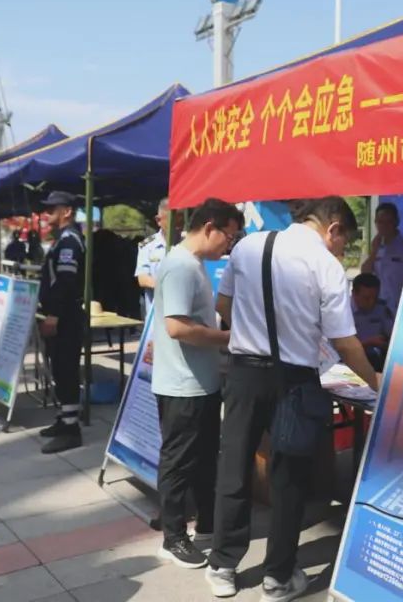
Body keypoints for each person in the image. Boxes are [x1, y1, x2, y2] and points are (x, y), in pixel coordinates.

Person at [208, 196, 379, 602]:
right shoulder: (325, 265)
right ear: (333, 228)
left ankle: (222, 566)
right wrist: (376, 382)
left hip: (244, 373)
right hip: (296, 382)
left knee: (234, 466)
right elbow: (344, 341)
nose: (341, 250)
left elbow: (223, 304)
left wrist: (254, 333)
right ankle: (277, 578)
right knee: (289, 478)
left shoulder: (247, 246)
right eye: (344, 241)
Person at [152, 199, 243, 568]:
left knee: (205, 459)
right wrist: (227, 339)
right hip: (182, 387)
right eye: (229, 237)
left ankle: (206, 522)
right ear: (209, 228)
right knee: (178, 462)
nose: (229, 245)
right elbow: (177, 327)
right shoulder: (180, 266)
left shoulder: (195, 265)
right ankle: (173, 537)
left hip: (201, 383)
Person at [36, 191, 87, 454]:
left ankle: (71, 430)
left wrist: (54, 315)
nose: (46, 214)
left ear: (67, 211)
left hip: (66, 317)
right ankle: (64, 417)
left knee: (66, 370)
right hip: (60, 315)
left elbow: (66, 282)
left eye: (51, 209)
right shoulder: (62, 239)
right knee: (59, 369)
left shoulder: (69, 241)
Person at [360, 202, 403, 313]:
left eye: (388, 222)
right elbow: (365, 272)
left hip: (401, 306)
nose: (384, 226)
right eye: (380, 222)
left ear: (396, 222)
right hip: (379, 307)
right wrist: (374, 252)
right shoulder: (376, 246)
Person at [350, 273, 394, 371]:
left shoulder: (381, 309)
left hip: (376, 359)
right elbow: (339, 348)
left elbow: (392, 336)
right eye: (367, 298)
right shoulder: (343, 312)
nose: (371, 302)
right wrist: (368, 343)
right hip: (349, 359)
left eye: (375, 298)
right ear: (354, 293)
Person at [136, 198, 171, 316]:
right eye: (172, 219)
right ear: (158, 220)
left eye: (181, 219)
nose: (177, 224)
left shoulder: (186, 242)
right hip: (156, 314)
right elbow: (142, 278)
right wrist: (164, 287)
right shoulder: (147, 246)